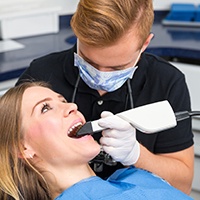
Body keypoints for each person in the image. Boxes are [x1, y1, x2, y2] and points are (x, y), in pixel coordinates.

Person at [16, 0, 194, 194]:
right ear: (77, 32)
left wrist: (136, 154)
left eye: (117, 68)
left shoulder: (166, 82)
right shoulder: (41, 75)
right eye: (88, 61)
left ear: (145, 44)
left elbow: (181, 187)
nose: (100, 74)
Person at [0, 82, 193, 200]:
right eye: (45, 108)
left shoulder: (132, 177)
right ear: (22, 148)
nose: (72, 106)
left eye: (62, 100)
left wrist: (136, 153)